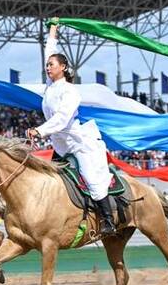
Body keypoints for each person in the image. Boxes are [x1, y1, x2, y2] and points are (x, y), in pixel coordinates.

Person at [26, 21, 115, 237]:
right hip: (61, 145)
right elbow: (50, 50)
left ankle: (108, 221)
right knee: (47, 181)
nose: (48, 67)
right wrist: (53, 31)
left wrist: (39, 131)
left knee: (92, 179)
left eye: (52, 65)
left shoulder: (71, 92)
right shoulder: (50, 86)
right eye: (47, 65)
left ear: (63, 68)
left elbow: (62, 119)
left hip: (78, 143)